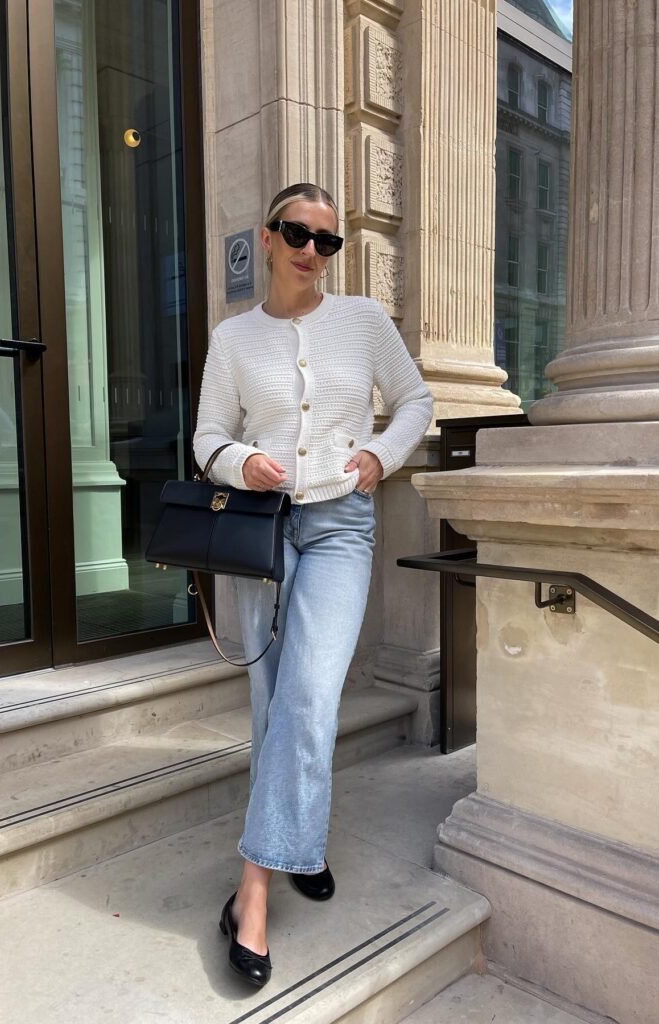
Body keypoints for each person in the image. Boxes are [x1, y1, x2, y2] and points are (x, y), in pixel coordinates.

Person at [193, 182, 433, 987]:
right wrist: (238, 462)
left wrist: (379, 457)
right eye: (297, 233)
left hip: (337, 529)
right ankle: (302, 843)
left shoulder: (362, 321)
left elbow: (414, 400)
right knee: (273, 701)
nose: (311, 249)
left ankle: (250, 894)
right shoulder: (233, 339)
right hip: (259, 529)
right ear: (266, 238)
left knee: (309, 694)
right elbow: (206, 439)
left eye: (326, 241)